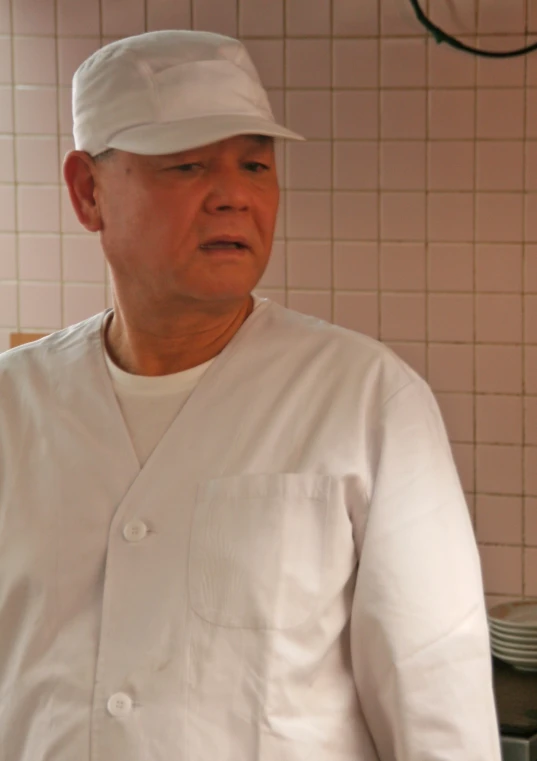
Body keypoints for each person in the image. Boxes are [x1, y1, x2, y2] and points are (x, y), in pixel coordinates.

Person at [0, 30, 501, 761]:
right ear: (88, 191)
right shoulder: (15, 406)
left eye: (255, 164)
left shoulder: (364, 398)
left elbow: (436, 701)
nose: (233, 195)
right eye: (187, 165)